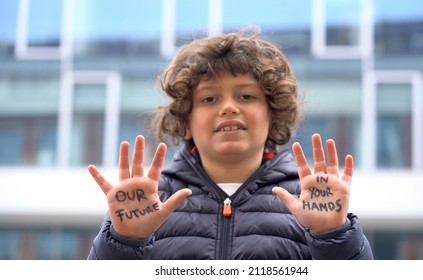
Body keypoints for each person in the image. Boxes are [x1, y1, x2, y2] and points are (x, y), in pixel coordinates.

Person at [86, 26, 373, 260]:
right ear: (185, 122)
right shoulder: (146, 201)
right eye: (209, 99)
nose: (229, 108)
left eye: (246, 96)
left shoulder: (313, 200)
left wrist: (333, 235)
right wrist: (125, 242)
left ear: (273, 114)